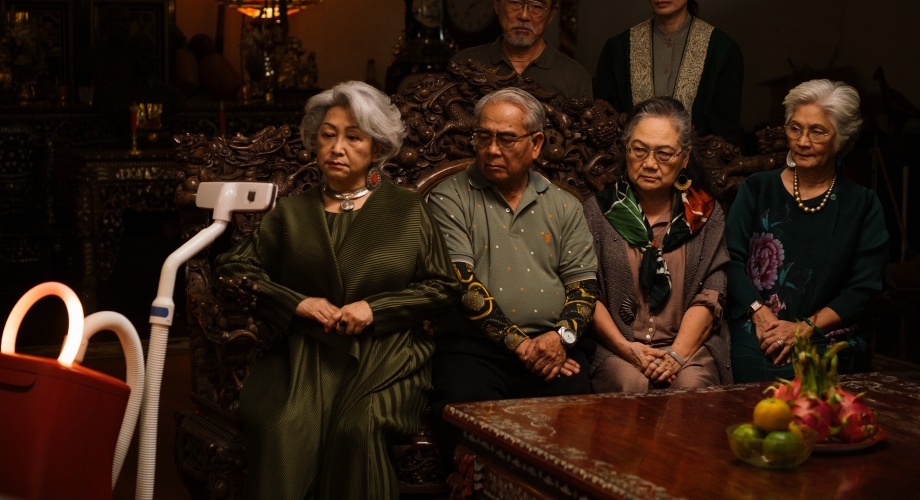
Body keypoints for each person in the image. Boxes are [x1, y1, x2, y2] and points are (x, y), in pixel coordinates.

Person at [213, 81, 460, 500]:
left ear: (377, 147)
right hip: (304, 356)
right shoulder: (291, 213)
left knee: (358, 430)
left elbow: (444, 287)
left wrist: (377, 309)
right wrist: (297, 304)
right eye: (328, 135)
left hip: (387, 353)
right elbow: (233, 267)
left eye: (353, 137)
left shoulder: (406, 210)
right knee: (282, 426)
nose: (337, 148)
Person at [427, 87, 598, 471]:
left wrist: (561, 338)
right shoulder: (449, 198)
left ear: (536, 144)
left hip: (554, 349)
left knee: (573, 429)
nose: (491, 149)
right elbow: (462, 284)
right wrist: (521, 345)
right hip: (472, 350)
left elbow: (584, 287)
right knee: (466, 421)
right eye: (483, 136)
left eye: (506, 139)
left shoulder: (565, 205)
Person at [727, 80, 888, 383]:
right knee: (745, 363)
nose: (802, 141)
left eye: (817, 131)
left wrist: (804, 328)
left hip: (825, 332)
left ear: (841, 138)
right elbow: (729, 259)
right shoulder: (756, 189)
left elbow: (864, 287)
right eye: (795, 128)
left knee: (812, 374)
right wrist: (760, 314)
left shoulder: (862, 205)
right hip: (757, 323)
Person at [583, 97, 732, 392]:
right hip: (617, 347)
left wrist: (676, 355)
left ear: (685, 158)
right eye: (639, 150)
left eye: (664, 154)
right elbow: (586, 293)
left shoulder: (705, 213)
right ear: (626, 149)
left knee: (690, 385)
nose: (650, 164)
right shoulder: (597, 212)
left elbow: (711, 295)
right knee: (631, 383)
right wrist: (629, 350)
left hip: (689, 349)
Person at [594, 0, 743, 143]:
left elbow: (724, 134)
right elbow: (606, 123)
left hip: (697, 162)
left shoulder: (722, 50)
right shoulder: (617, 48)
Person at [451, 0, 592, 101]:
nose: (524, 15)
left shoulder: (575, 79)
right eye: (515, 2)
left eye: (536, 6)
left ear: (551, 14)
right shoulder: (464, 65)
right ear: (496, 2)